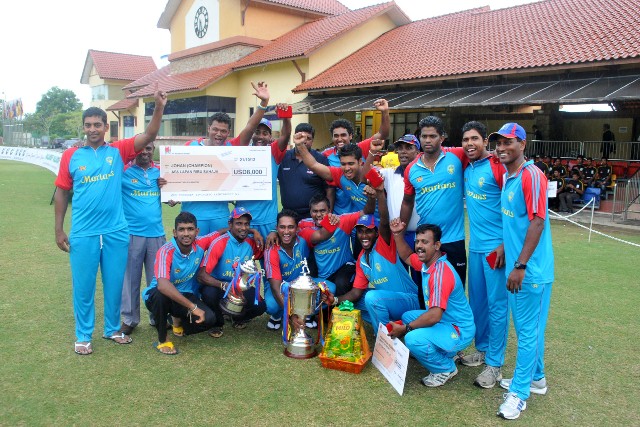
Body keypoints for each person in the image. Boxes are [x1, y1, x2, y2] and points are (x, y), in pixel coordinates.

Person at [54, 85, 166, 355]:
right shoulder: (71, 156)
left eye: (97, 125)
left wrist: (159, 106)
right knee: (83, 287)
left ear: (106, 127)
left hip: (116, 231)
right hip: (83, 232)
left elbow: (150, 134)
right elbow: (61, 192)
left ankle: (113, 329)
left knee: (116, 283)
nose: (92, 129)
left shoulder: (118, 151)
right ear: (84, 128)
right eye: (88, 125)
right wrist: (58, 229)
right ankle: (83, 335)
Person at [491, 122, 553, 420]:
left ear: (523, 144)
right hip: (516, 268)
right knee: (529, 329)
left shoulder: (532, 175)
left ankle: (518, 393)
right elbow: (513, 221)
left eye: (508, 143)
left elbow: (537, 221)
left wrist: (520, 265)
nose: (502, 148)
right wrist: (505, 247)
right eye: (498, 143)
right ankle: (536, 378)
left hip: (530, 272)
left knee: (527, 333)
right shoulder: (508, 177)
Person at [324, 180, 420, 335]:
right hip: (388, 302)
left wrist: (380, 193)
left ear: (376, 233)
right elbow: (355, 293)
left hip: (409, 301)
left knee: (372, 297)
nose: (363, 235)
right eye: (360, 231)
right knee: (352, 303)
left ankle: (384, 340)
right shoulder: (362, 258)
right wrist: (334, 300)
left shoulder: (383, 245)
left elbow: (383, 218)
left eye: (368, 231)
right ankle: (391, 326)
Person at [387, 223, 475, 388]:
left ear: (437, 245)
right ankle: (446, 351)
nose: (419, 246)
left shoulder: (440, 274)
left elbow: (434, 315)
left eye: (425, 242)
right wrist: (398, 234)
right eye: (418, 241)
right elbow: (407, 256)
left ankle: (446, 368)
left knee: (412, 338)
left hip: (458, 329)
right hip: (445, 323)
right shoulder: (427, 263)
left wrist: (406, 329)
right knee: (408, 316)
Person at [179, 81, 271, 235]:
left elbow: (250, 127)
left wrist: (263, 103)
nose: (218, 134)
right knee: (194, 257)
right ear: (208, 128)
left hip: (220, 216)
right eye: (215, 129)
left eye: (223, 131)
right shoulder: (191, 147)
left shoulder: (232, 148)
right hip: (192, 215)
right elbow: (175, 173)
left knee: (220, 256)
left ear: (228, 132)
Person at [458, 121, 509, 387]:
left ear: (485, 142)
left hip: (496, 249)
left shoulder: (498, 167)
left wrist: (504, 245)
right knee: (477, 302)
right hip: (475, 248)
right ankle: (483, 348)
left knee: (497, 305)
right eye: (465, 139)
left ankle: (495, 365)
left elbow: (513, 207)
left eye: (474, 139)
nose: (469, 144)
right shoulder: (468, 167)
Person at [400, 116, 468, 285]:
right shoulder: (412, 169)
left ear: (442, 138)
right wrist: (400, 230)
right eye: (424, 136)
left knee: (456, 288)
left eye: (432, 136)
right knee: (427, 291)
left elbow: (479, 152)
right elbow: (407, 201)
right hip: (426, 240)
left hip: (454, 239)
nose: (428, 140)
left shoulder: (457, 156)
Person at [142, 212, 219, 355]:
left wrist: (252, 231)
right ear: (174, 232)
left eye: (190, 229)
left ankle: (177, 320)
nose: (186, 234)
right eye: (181, 229)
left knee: (209, 319)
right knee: (161, 295)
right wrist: (193, 307)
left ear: (197, 231)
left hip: (184, 295)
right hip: (157, 296)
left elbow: (220, 232)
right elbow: (163, 285)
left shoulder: (201, 243)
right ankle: (162, 340)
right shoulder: (165, 251)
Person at [120, 141, 167, 335]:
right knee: (130, 279)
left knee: (157, 280)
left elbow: (172, 197)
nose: (145, 152)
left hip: (157, 234)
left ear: (153, 150)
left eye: (148, 148)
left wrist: (169, 190)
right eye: (141, 149)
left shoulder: (161, 174)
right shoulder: (123, 173)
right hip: (132, 235)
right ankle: (130, 319)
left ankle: (157, 316)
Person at [197, 207, 266, 337]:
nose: (243, 228)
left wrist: (256, 232)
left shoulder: (251, 243)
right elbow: (202, 276)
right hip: (218, 285)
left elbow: (263, 254)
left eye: (246, 224)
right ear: (230, 225)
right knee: (208, 294)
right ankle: (217, 322)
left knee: (261, 306)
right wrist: (224, 286)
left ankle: (236, 316)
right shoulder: (219, 243)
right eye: (239, 223)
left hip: (239, 287)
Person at [263, 209, 336, 330]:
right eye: (282, 227)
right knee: (271, 305)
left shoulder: (302, 241)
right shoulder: (271, 250)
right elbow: (276, 289)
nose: (286, 231)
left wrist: (333, 221)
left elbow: (321, 234)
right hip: (281, 287)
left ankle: (306, 313)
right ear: (276, 228)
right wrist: (290, 316)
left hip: (301, 286)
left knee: (330, 289)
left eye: (291, 227)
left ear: (297, 229)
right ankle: (277, 315)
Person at [321, 100, 390, 214]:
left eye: (343, 135)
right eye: (336, 136)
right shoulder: (326, 155)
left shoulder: (361, 148)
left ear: (351, 136)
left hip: (363, 209)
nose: (339, 139)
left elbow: (383, 134)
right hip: (340, 210)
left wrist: (385, 112)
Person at [236, 108, 291, 240]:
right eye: (257, 132)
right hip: (243, 220)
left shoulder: (274, 152)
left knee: (269, 260)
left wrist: (285, 116)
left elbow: (286, 135)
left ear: (270, 137)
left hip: (268, 222)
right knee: (243, 259)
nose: (260, 136)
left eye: (265, 133)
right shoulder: (239, 152)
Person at [278, 123, 332, 219]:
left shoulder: (320, 159)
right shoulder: (283, 158)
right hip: (288, 215)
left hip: (313, 216)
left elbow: (329, 189)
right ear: (295, 137)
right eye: (301, 137)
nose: (304, 141)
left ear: (312, 140)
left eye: (308, 138)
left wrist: (328, 213)